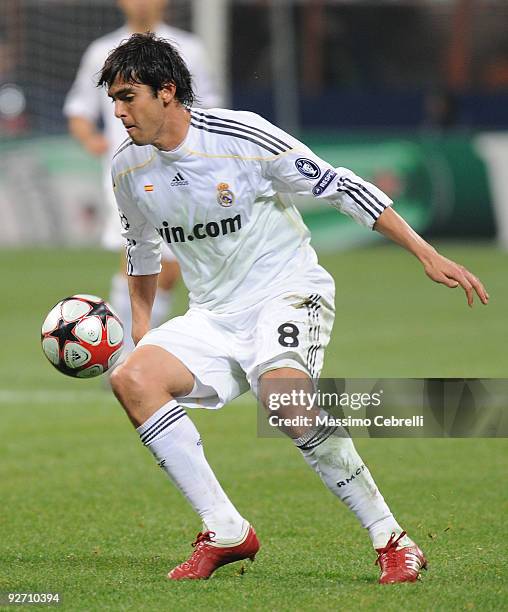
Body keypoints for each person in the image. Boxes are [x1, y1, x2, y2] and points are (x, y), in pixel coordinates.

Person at [99, 33, 489, 583]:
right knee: (133, 379)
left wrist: (424, 252)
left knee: (284, 400)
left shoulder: (241, 136)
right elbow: (140, 251)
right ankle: (226, 529)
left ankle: (392, 538)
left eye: (127, 95)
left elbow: (339, 185)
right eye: (113, 99)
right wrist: (143, 332)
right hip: (213, 314)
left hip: (285, 289)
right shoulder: (126, 169)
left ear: (167, 92)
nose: (117, 111)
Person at [63, 0, 221, 360]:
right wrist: (90, 138)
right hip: (127, 173)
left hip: (181, 169)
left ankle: (123, 349)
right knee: (139, 255)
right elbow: (78, 109)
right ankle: (123, 355)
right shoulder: (102, 51)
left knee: (169, 268)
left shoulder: (189, 49)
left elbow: (208, 107)